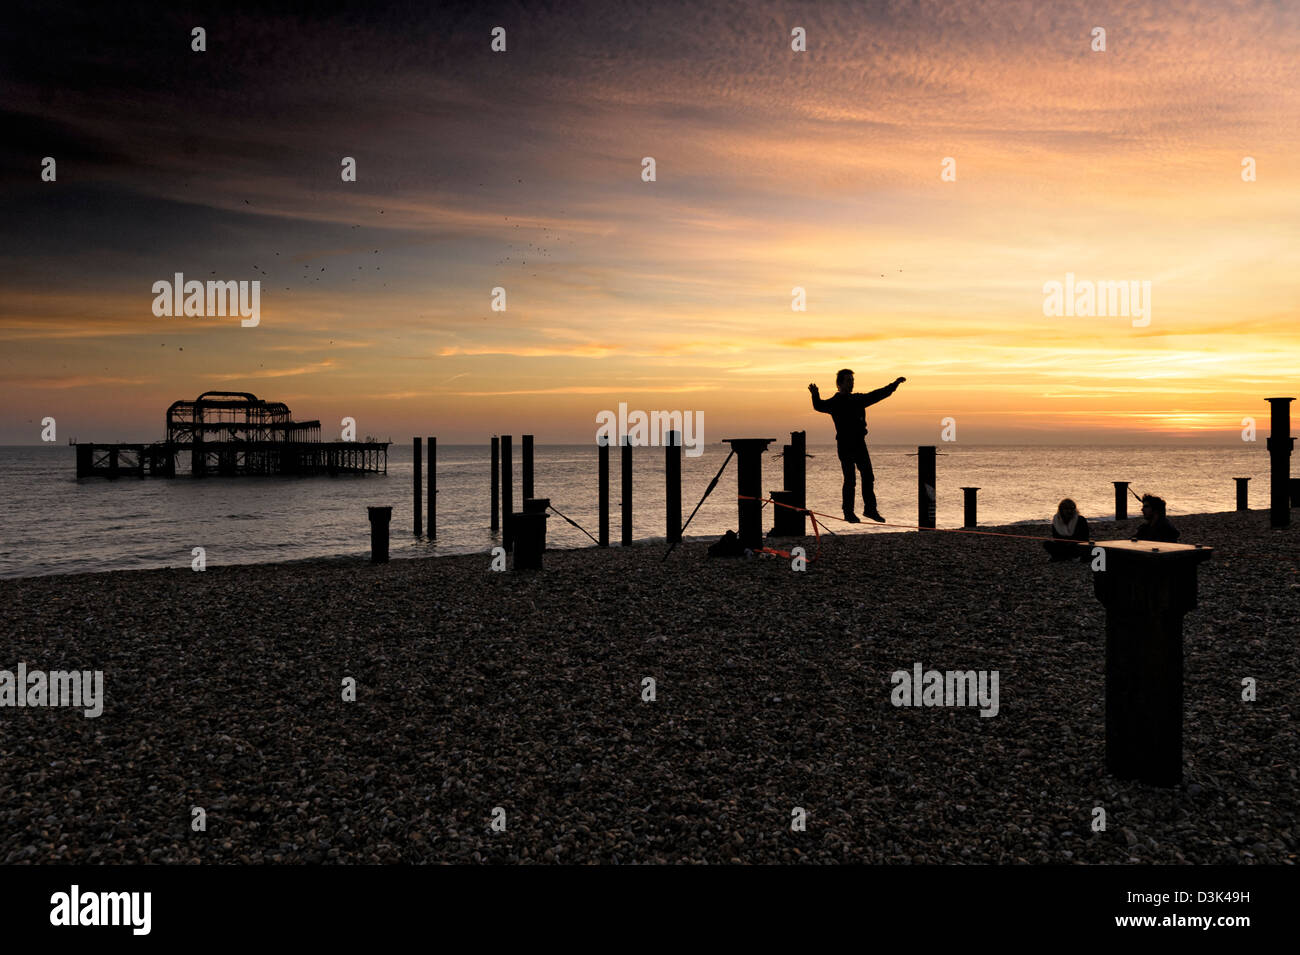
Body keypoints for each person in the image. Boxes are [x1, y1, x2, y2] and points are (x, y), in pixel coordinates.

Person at [808, 370, 905, 523]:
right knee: (850, 480)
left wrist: (894, 384)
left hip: (859, 443)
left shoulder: (858, 399)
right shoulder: (835, 402)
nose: (851, 383)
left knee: (868, 476)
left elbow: (877, 394)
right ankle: (848, 513)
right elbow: (819, 406)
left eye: (852, 380)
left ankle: (870, 509)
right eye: (848, 381)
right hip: (845, 444)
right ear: (839, 384)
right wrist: (815, 394)